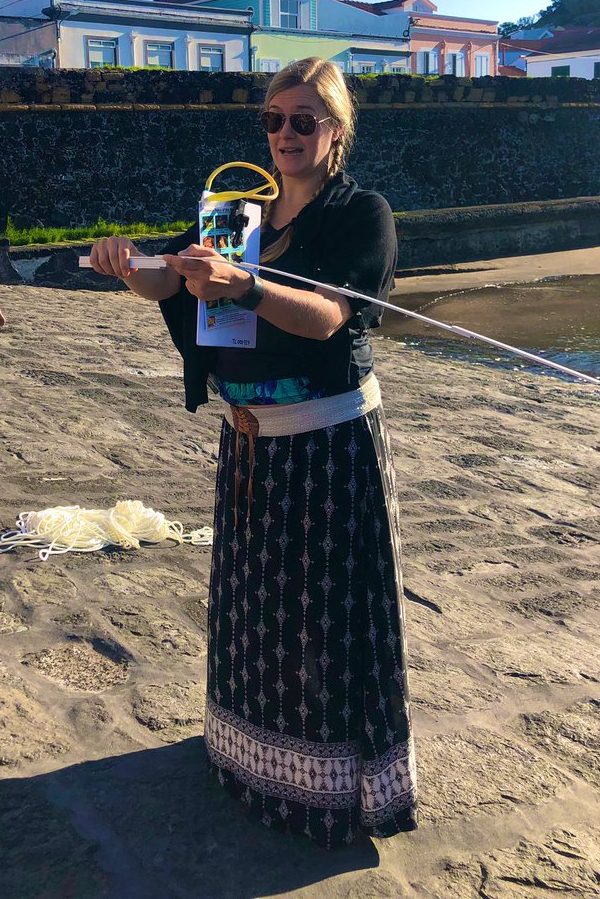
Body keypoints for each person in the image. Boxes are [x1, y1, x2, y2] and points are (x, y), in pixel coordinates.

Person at [89, 58, 417, 847]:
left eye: (304, 120)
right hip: (249, 443)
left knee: (323, 619)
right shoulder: (233, 211)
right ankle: (250, 760)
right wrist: (124, 260)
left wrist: (246, 287)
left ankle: (329, 792)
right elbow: (170, 283)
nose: (285, 134)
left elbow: (330, 318)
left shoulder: (359, 213)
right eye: (274, 119)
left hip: (327, 445)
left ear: (336, 129)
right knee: (258, 610)